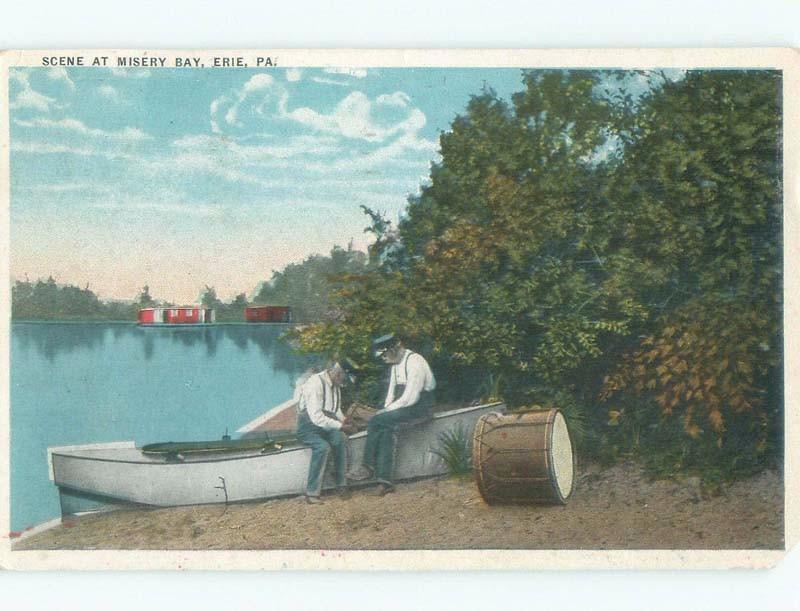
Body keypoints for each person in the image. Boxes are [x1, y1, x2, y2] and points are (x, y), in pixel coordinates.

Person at [347, 334, 436, 495]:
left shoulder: (415, 362)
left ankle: (367, 466)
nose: (383, 359)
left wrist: (386, 412)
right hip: (404, 407)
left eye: (384, 355)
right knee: (385, 428)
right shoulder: (395, 364)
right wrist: (386, 409)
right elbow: (391, 394)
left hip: (420, 407)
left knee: (376, 421)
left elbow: (411, 397)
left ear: (393, 350)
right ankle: (385, 482)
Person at [296, 361, 354, 504]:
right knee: (323, 448)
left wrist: (344, 420)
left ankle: (341, 484)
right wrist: (340, 426)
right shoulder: (315, 383)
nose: (343, 383)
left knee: (341, 440)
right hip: (308, 427)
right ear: (337, 373)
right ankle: (312, 493)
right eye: (343, 379)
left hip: (325, 425)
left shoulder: (335, 384)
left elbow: (335, 409)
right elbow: (317, 417)